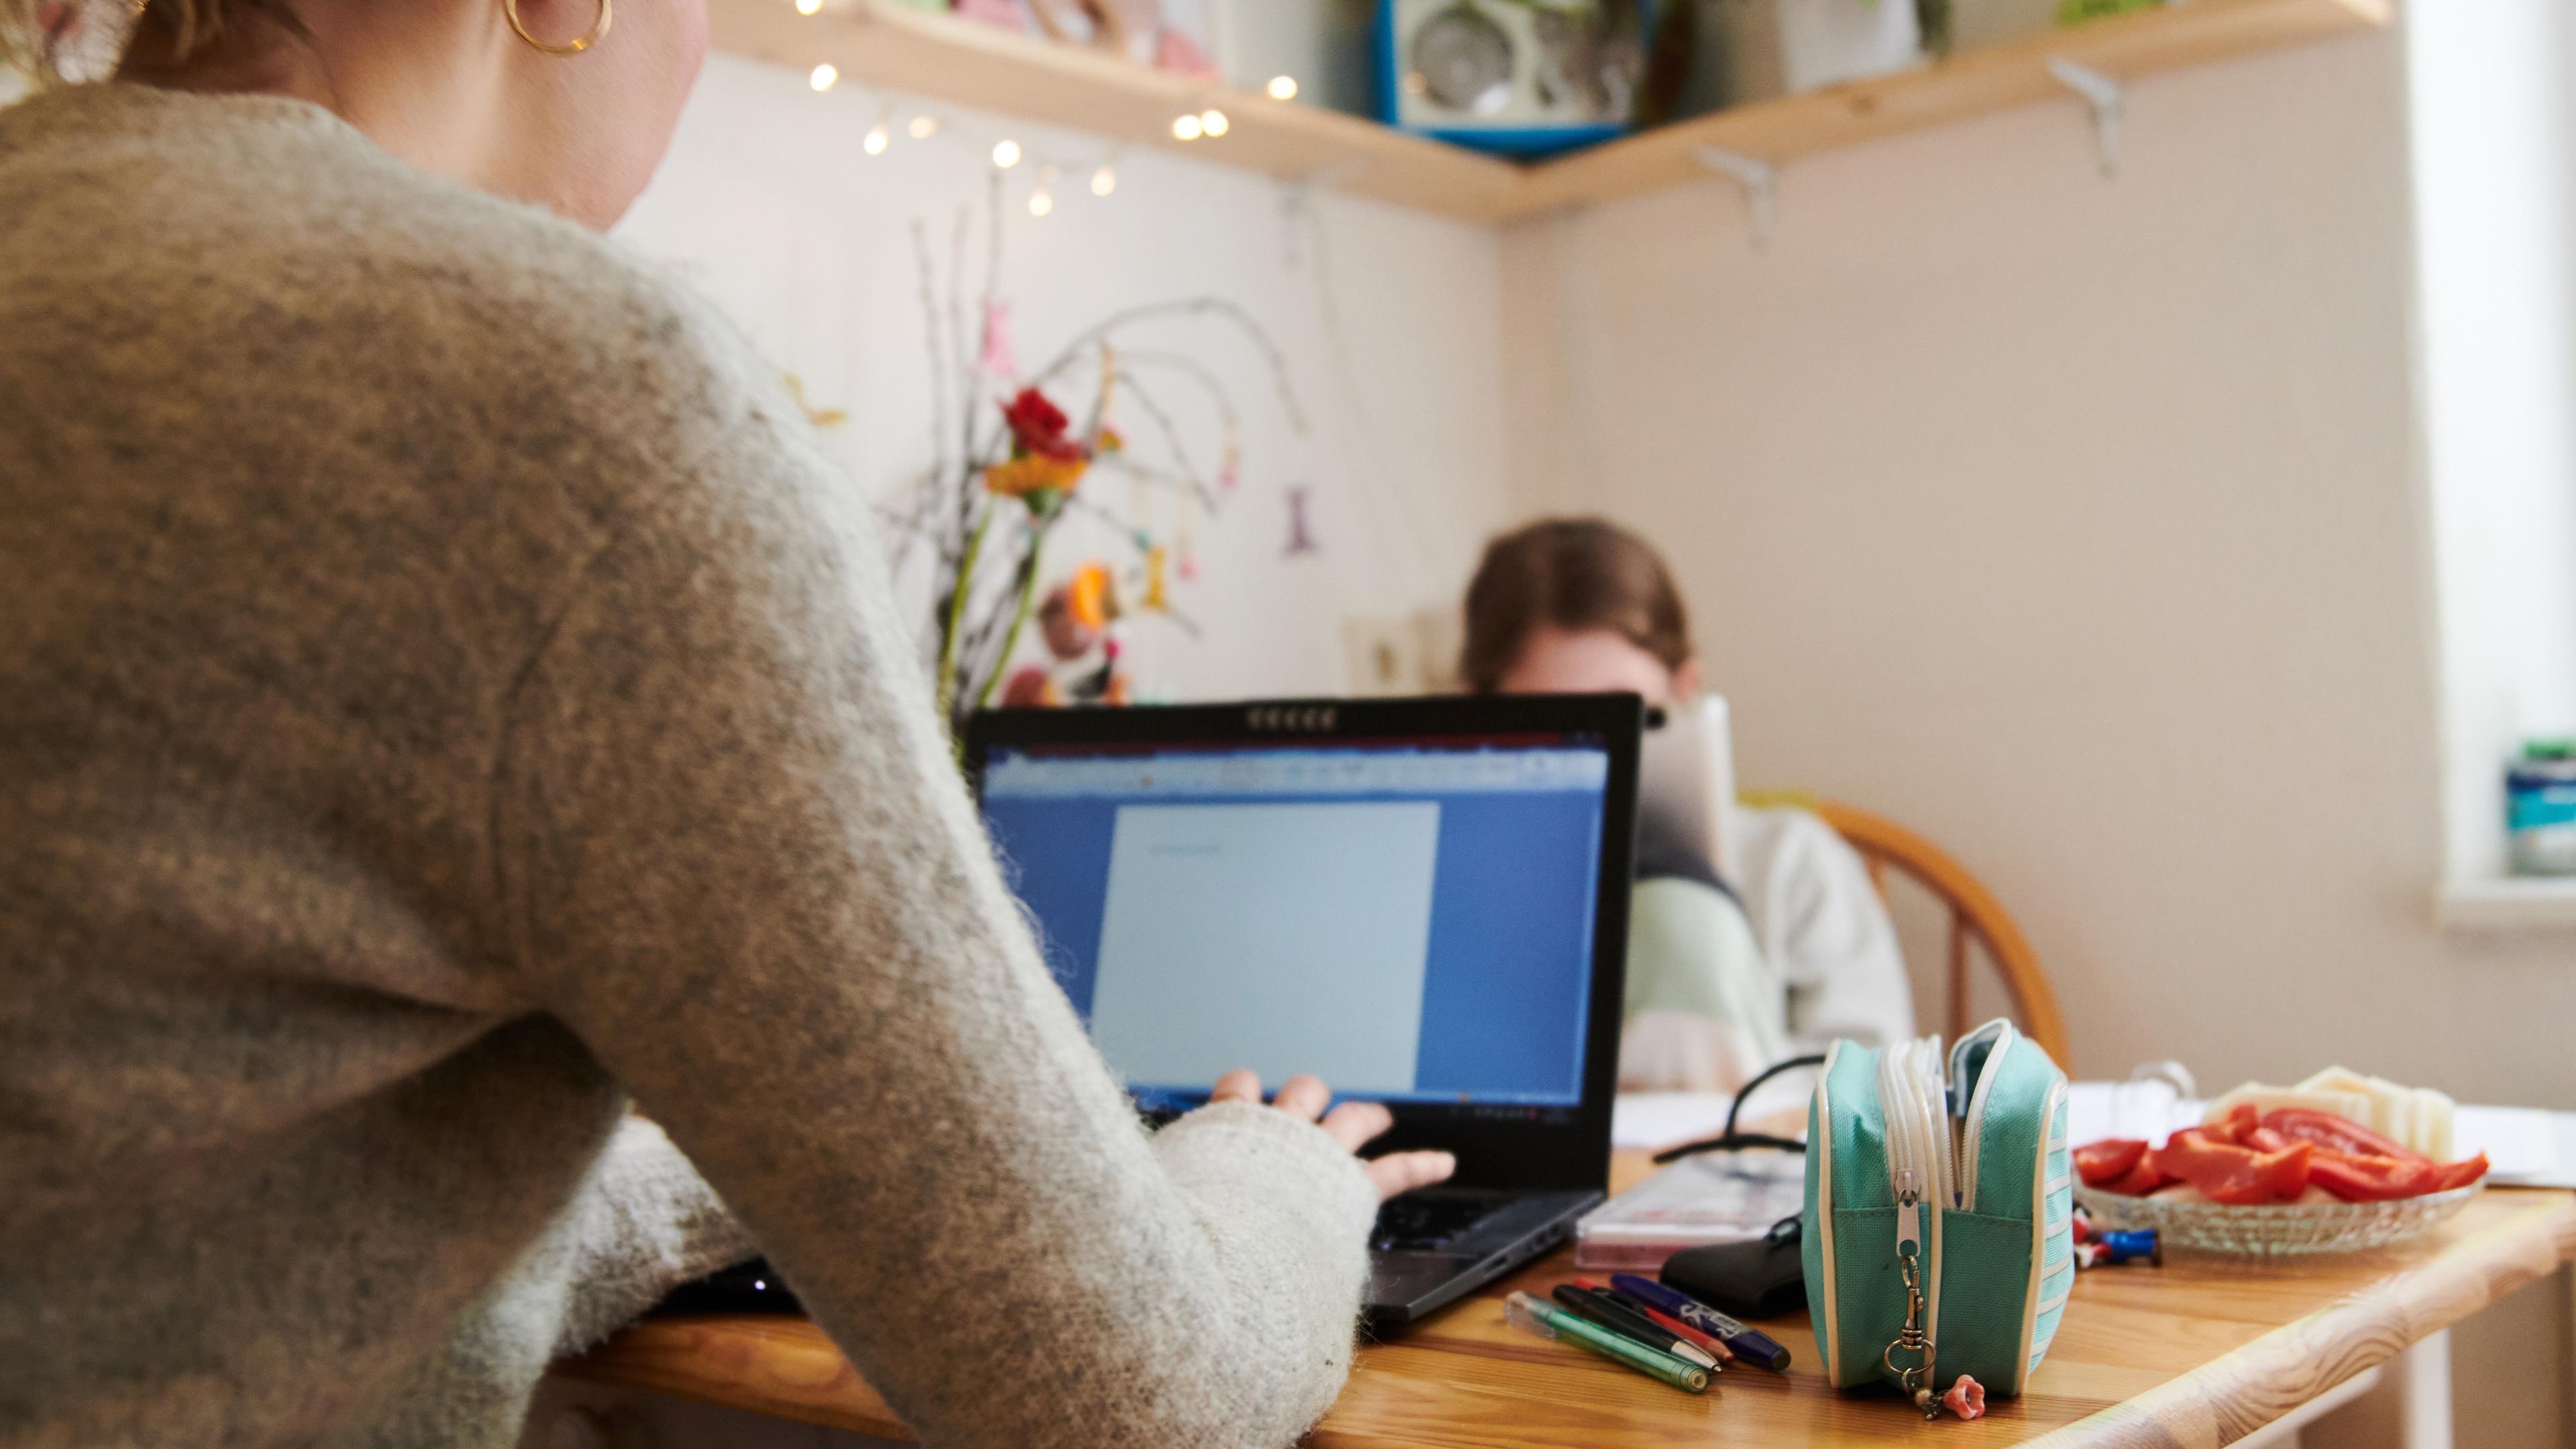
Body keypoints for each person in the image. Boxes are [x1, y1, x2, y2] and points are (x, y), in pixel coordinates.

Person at [0, 1, 1452, 1446]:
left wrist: (772, 1173)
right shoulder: (569, 400)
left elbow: (210, 1247)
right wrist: (1281, 1171)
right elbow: (1139, 1402)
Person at [1458, 519, 1915, 1089]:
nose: (1593, 753)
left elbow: (1878, 1085)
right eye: (1551, 721)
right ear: (1477, 709)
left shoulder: (1792, 859)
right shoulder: (1456, 883)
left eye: (1626, 715)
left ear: (1684, 688)